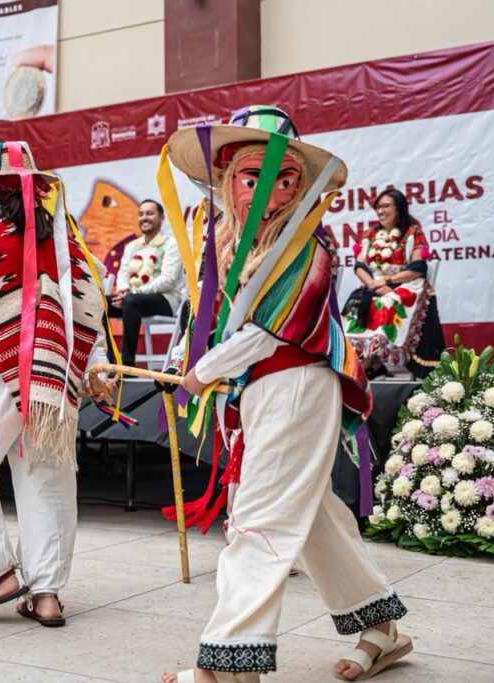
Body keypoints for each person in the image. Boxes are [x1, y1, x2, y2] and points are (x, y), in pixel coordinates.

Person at [158, 105, 411, 683]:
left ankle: (227, 665)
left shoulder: (307, 244)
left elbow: (271, 330)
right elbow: (214, 323)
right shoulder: (227, 245)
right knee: (311, 517)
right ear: (226, 179)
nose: (267, 191)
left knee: (260, 520)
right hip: (261, 391)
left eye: (283, 178)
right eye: (252, 176)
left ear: (300, 185)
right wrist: (194, 362)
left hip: (297, 384)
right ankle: (383, 629)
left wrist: (204, 372)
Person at [0, 141, 114, 622]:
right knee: (46, 482)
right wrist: (94, 366)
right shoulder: (66, 248)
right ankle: (47, 594)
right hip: (57, 377)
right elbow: (88, 313)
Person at [343, 189, 444, 379]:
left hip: (405, 284)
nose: (380, 211)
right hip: (374, 285)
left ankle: (370, 364)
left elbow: (417, 267)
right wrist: (373, 283)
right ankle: (369, 362)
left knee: (389, 301)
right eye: (378, 207)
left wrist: (387, 281)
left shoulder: (412, 231)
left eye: (385, 206)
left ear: (399, 208)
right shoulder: (370, 234)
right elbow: (359, 266)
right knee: (357, 303)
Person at [107, 199, 185, 367]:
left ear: (161, 217)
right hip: (132, 300)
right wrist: (123, 290)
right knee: (101, 303)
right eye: (141, 214)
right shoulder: (132, 246)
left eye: (150, 213)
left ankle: (127, 363)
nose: (144, 218)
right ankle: (108, 358)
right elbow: (123, 274)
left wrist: (133, 293)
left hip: (166, 300)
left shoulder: (171, 244)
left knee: (130, 301)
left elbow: (168, 280)